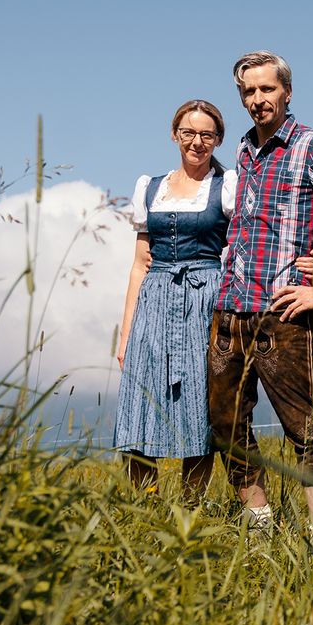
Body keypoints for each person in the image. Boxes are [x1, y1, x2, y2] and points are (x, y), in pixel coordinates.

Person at [208, 51, 313, 534]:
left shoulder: (311, 145)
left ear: (286, 91)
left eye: (267, 89)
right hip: (229, 309)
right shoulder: (241, 151)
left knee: (304, 428)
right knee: (226, 424)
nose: (258, 99)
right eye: (249, 92)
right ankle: (259, 525)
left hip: (283, 314)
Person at [111, 100, 236, 499]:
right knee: (139, 405)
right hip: (155, 300)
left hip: (205, 302)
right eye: (188, 133)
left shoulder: (227, 187)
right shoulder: (150, 187)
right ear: (174, 135)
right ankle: (144, 513)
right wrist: (126, 333)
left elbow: (241, 249)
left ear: (217, 140)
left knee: (197, 409)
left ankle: (189, 511)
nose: (196, 142)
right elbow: (138, 265)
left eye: (206, 135)